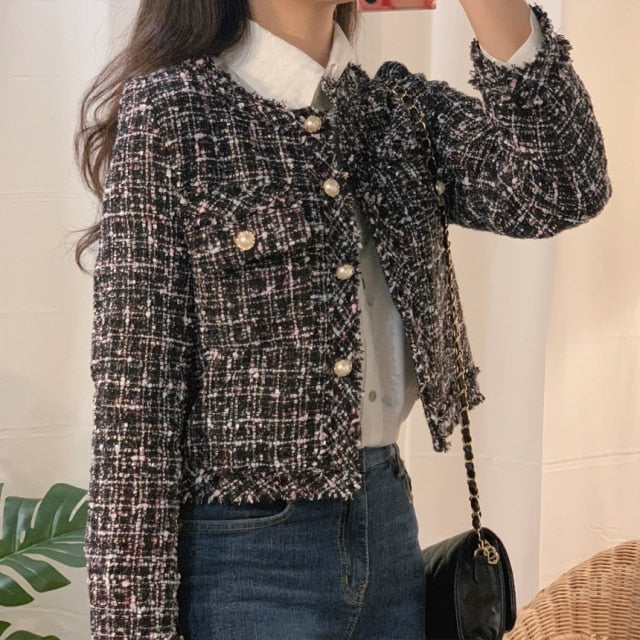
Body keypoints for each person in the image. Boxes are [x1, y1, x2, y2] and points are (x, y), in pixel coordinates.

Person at [73, 1, 611, 638]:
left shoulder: (395, 111)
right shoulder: (174, 113)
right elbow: (135, 411)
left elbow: (563, 184)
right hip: (240, 555)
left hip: (388, 525)